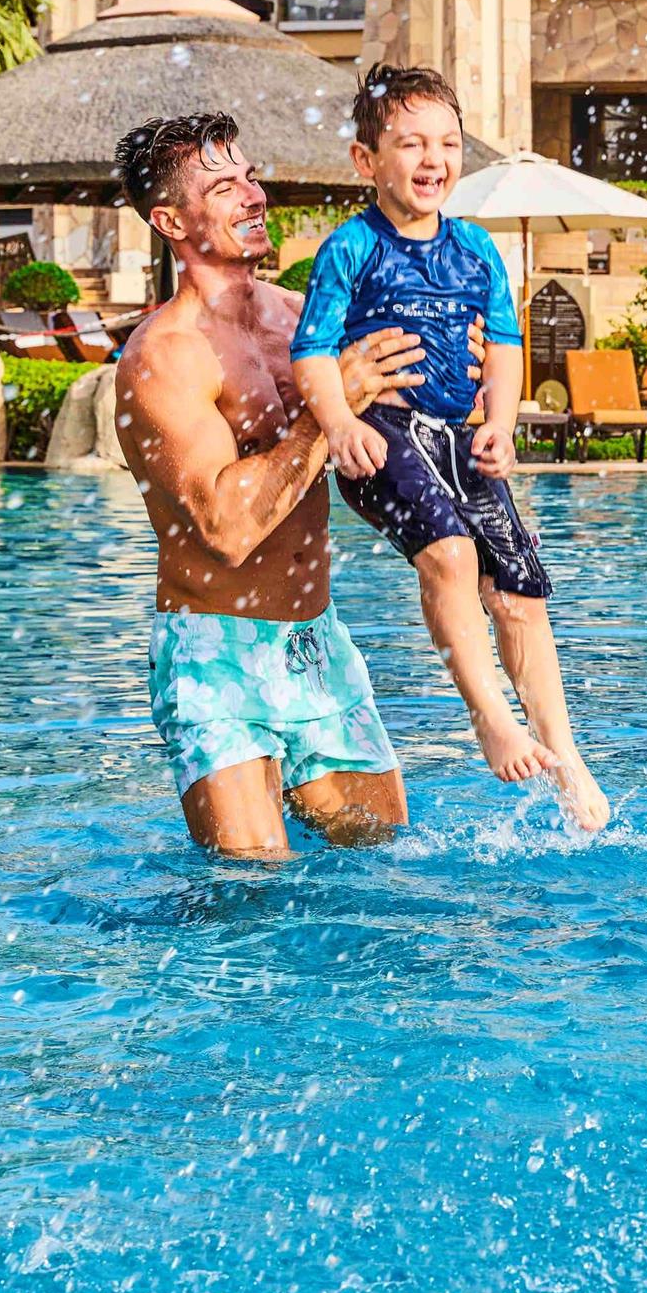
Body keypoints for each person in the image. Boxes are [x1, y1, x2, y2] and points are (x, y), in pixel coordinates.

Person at [114, 112, 446, 858]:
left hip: (317, 643)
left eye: (251, 177)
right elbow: (226, 530)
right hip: (217, 653)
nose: (253, 196)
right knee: (251, 891)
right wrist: (327, 412)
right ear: (171, 220)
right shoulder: (164, 357)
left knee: (386, 866)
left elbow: (395, 436)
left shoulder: (303, 322)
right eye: (224, 188)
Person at [288, 64, 607, 828]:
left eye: (448, 143)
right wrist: (341, 424)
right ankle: (491, 719)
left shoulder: (475, 248)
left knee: (522, 593)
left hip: (460, 438)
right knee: (453, 556)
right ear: (366, 160)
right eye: (411, 144)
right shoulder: (350, 248)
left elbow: (504, 344)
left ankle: (567, 758)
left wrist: (501, 422)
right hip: (383, 436)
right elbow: (313, 351)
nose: (433, 160)